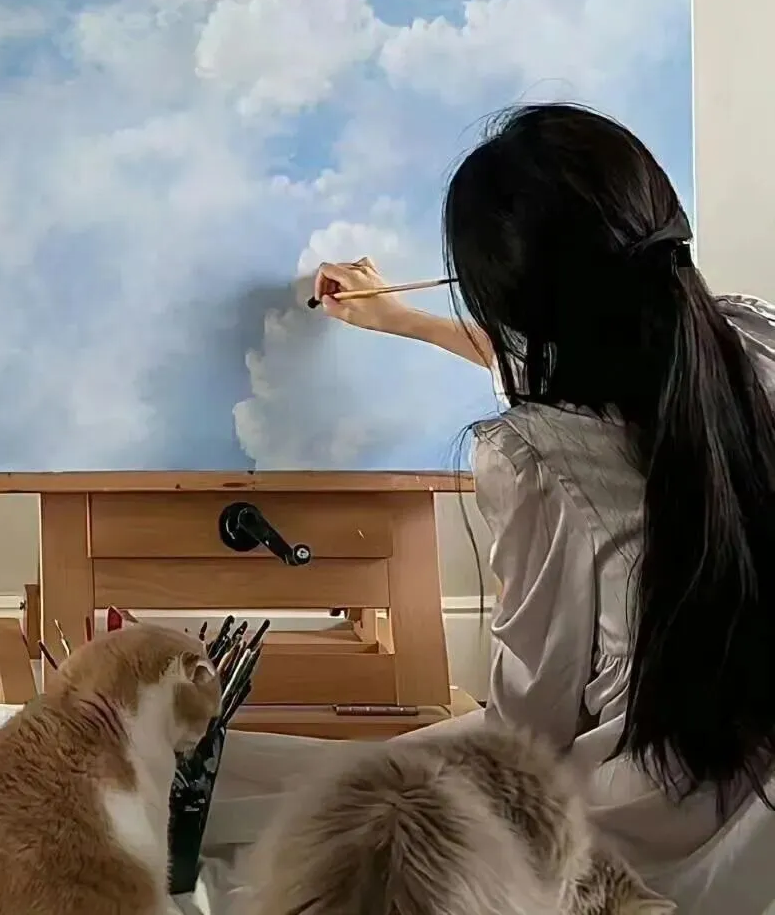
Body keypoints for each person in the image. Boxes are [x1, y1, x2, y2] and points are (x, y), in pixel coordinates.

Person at [313, 103, 775, 908]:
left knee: (352, 801)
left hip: (637, 852)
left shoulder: (533, 460)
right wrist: (406, 320)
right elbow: (591, 361)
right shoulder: (747, 338)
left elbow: (528, 737)